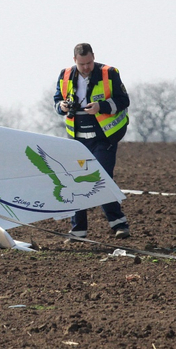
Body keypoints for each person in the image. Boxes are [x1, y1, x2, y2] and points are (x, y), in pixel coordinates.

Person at [54, 43, 131, 239]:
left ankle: (119, 224)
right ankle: (78, 230)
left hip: (104, 137)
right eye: (82, 64)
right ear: (74, 61)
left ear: (94, 57)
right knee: (75, 181)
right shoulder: (64, 75)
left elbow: (123, 101)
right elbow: (56, 100)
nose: (86, 67)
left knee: (102, 178)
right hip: (77, 139)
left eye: (89, 63)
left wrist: (101, 106)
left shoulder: (109, 73)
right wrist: (61, 106)